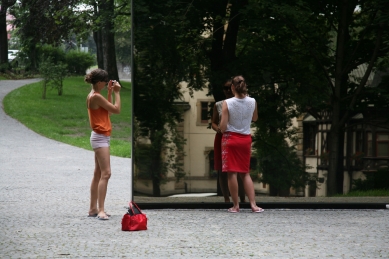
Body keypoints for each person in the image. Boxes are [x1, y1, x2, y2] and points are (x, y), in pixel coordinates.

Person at [220, 75, 264, 213]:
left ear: (233, 87)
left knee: (231, 173)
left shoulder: (227, 103)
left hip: (230, 139)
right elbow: (255, 118)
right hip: (245, 139)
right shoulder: (252, 101)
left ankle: (235, 206)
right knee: (245, 173)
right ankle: (253, 205)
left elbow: (222, 127)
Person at [85, 68, 121, 220]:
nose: (106, 84)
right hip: (100, 138)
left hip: (99, 136)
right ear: (99, 82)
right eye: (105, 83)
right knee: (106, 173)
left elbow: (109, 112)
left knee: (98, 173)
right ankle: (101, 210)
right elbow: (117, 110)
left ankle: (93, 208)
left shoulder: (94, 95)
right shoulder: (96, 97)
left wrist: (110, 93)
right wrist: (118, 93)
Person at [212, 79, 246, 203]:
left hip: (237, 136)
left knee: (239, 169)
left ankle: (242, 198)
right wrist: (218, 129)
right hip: (222, 137)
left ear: (234, 88)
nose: (226, 91)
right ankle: (226, 198)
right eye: (224, 88)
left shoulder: (242, 102)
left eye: (228, 88)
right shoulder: (218, 104)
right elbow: (213, 122)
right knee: (222, 170)